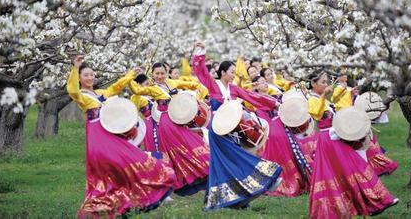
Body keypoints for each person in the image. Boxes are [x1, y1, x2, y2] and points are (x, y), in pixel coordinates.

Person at [67, 55, 175, 217]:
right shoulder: (82, 97)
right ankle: (101, 206)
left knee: (125, 164)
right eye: (86, 75)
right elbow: (72, 90)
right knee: (110, 170)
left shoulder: (98, 94)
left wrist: (129, 76)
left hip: (109, 134)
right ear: (80, 78)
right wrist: (75, 69)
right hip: (98, 138)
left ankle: (122, 202)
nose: (90, 78)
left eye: (91, 74)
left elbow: (114, 89)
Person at [192, 41, 282, 211]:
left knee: (228, 162)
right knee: (236, 157)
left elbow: (251, 97)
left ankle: (234, 198)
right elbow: (200, 71)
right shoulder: (213, 85)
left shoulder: (234, 89)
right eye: (231, 72)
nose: (234, 75)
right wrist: (200, 52)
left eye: (234, 72)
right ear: (223, 72)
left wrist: (274, 104)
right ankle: (266, 176)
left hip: (232, 131)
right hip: (217, 131)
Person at [129, 62, 210, 196]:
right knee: (182, 148)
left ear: (166, 73)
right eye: (157, 74)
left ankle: (202, 171)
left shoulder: (172, 83)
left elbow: (193, 85)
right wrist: (129, 77)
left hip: (179, 117)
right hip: (166, 122)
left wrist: (198, 93)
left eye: (162, 73)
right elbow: (137, 91)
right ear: (152, 75)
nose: (160, 76)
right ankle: (182, 180)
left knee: (192, 144)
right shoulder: (153, 89)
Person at [309, 107, 398, 218]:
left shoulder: (325, 103)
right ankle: (371, 201)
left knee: (351, 169)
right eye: (323, 87)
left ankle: (374, 201)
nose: (326, 88)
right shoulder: (315, 101)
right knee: (353, 168)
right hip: (330, 140)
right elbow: (317, 113)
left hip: (335, 138)